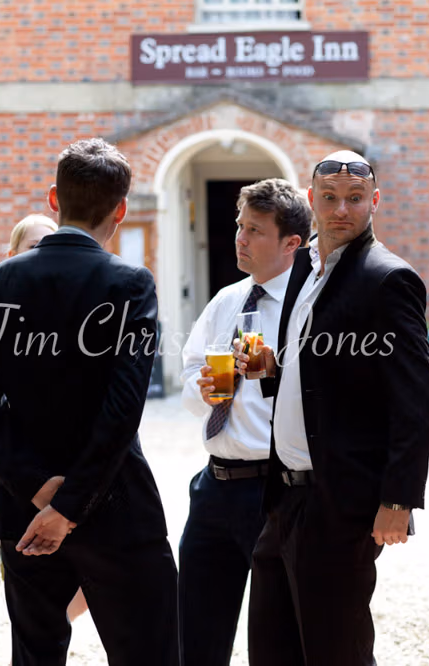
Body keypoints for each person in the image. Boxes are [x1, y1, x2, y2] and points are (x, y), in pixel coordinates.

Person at [0, 138, 178, 666]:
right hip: (115, 502)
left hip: (25, 506)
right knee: (149, 653)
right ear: (121, 209)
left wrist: (41, 492)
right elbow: (123, 408)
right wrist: (72, 503)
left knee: (35, 655)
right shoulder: (130, 283)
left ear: (54, 200)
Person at [236, 151, 429, 665]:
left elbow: (415, 398)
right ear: (311, 201)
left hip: (340, 503)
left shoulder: (388, 279)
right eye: (329, 198)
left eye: (353, 199)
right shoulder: (307, 271)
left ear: (375, 201)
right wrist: (271, 371)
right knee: (272, 650)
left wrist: (399, 499)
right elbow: (324, 378)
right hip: (282, 500)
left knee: (336, 653)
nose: (341, 209)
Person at [178, 178, 312, 666]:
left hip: (277, 491)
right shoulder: (226, 301)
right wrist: (205, 389)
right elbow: (192, 370)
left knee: (277, 642)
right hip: (214, 486)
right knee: (194, 632)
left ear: (290, 243)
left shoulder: (310, 308)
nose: (239, 237)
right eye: (239, 225)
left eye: (254, 230)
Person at [0, 212, 88, 626]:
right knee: (31, 609)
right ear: (12, 256)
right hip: (16, 483)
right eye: (34, 248)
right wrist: (37, 488)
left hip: (78, 484)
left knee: (88, 590)